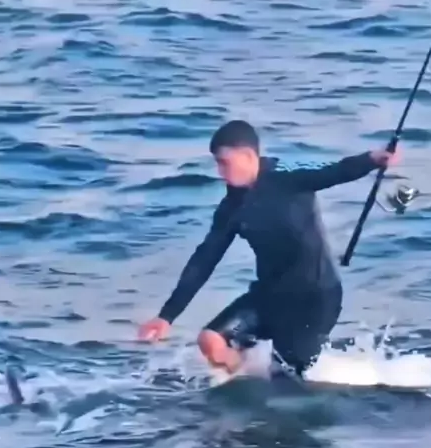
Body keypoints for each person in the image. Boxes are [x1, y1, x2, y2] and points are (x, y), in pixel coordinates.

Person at [138, 120, 398, 378]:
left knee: (286, 377)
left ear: (248, 156)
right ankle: (245, 378)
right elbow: (205, 259)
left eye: (224, 163)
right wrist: (167, 316)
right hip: (268, 298)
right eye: (217, 163)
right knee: (212, 341)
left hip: (314, 300)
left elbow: (333, 171)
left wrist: (371, 159)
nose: (220, 172)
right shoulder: (231, 207)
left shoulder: (286, 176)